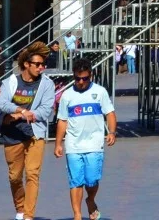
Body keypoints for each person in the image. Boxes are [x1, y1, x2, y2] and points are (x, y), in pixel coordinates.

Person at [0, 41, 56, 220]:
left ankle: (28, 215)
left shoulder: (47, 84)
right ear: (26, 64)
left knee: (32, 174)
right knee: (15, 177)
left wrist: (23, 116)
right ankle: (20, 208)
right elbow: (1, 103)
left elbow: (46, 110)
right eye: (37, 64)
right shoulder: (11, 82)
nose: (40, 68)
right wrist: (21, 110)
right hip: (13, 134)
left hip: (35, 134)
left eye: (42, 65)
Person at [53, 58, 115, 220]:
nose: (81, 82)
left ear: (91, 76)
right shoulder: (67, 95)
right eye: (77, 78)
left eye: (85, 78)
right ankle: (77, 215)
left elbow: (110, 113)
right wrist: (58, 143)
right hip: (73, 145)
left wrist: (112, 132)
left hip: (94, 144)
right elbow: (62, 120)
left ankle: (91, 199)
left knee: (92, 180)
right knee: (76, 182)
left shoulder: (100, 92)